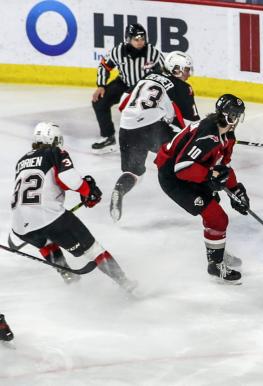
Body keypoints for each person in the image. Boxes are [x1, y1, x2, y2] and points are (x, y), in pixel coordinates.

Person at [10, 122, 137, 292]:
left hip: (20, 227)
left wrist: (84, 191)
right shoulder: (53, 152)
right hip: (50, 219)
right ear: (53, 139)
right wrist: (88, 191)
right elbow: (69, 178)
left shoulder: (22, 161)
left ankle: (67, 274)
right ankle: (126, 284)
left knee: (46, 242)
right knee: (93, 250)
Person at [154, 94, 248, 284]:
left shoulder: (227, 135)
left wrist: (236, 190)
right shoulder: (208, 135)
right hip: (173, 178)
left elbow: (223, 168)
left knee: (215, 207)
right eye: (234, 115)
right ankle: (215, 265)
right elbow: (181, 168)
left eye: (238, 115)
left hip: (192, 172)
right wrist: (210, 177)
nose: (236, 120)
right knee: (218, 218)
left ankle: (216, 252)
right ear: (226, 115)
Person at [110, 50, 200, 222]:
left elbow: (123, 103)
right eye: (186, 69)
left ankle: (120, 189)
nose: (189, 73)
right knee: (186, 151)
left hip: (127, 127)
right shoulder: (182, 88)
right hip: (151, 129)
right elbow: (191, 124)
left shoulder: (148, 76)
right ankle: (197, 194)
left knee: (135, 173)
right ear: (176, 70)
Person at [91, 23, 164, 153]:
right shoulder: (118, 51)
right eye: (136, 39)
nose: (140, 42)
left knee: (146, 112)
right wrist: (101, 85)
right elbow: (104, 66)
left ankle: (153, 140)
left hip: (144, 87)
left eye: (142, 39)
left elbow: (164, 71)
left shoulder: (152, 52)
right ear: (128, 39)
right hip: (123, 83)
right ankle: (108, 136)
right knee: (99, 102)